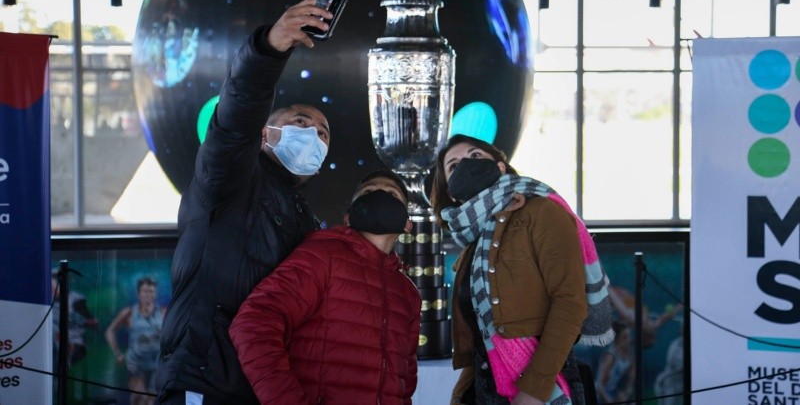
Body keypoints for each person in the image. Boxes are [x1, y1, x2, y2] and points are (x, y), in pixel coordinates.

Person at [155, 0, 335, 405]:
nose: (313, 135)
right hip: (207, 377)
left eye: (323, 134)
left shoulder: (305, 218)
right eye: (300, 123)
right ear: (265, 132)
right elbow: (237, 115)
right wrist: (268, 50)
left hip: (265, 385)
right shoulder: (229, 178)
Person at [430, 134, 612, 405]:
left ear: (500, 166)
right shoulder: (473, 243)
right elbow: (480, 333)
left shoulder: (541, 211)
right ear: (451, 192)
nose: (466, 165)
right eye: (454, 166)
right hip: (485, 386)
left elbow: (570, 303)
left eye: (475, 156)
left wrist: (533, 391)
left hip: (539, 387)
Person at [229, 169, 422, 405]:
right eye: (368, 192)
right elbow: (253, 322)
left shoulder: (408, 292)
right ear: (348, 218)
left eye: (391, 194)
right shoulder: (322, 256)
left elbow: (405, 379)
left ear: (407, 224)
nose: (379, 196)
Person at [105, 277, 165, 405]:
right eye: (145, 291)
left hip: (156, 365)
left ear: (155, 294)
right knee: (139, 398)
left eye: (151, 291)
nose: (148, 295)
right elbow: (110, 331)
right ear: (138, 294)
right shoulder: (129, 313)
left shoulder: (163, 313)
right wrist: (117, 353)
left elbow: (174, 334)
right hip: (135, 363)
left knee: (150, 401)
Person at [51, 269, 98, 369]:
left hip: (73, 342)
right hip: (52, 341)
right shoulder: (44, 301)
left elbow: (94, 323)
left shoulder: (76, 300)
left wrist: (80, 320)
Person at [596, 323, 634, 405]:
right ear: (618, 339)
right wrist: (610, 401)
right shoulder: (610, 357)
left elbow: (631, 380)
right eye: (625, 337)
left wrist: (625, 394)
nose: (629, 340)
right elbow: (600, 386)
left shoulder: (629, 355)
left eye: (629, 336)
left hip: (613, 393)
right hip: (600, 396)